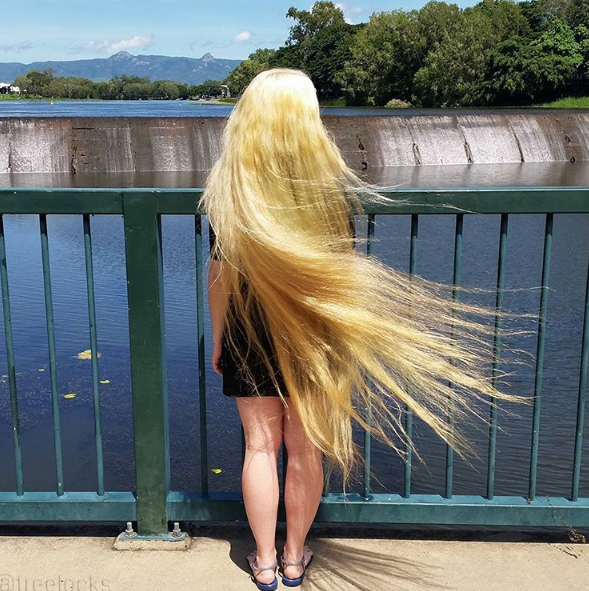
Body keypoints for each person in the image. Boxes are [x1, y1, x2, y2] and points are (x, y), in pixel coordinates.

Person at [202, 68, 533, 589]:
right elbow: (342, 270)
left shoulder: (230, 191)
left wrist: (221, 336)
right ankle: (293, 559)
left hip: (249, 330)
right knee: (306, 446)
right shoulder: (329, 189)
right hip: (320, 332)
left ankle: (262, 562)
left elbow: (219, 275)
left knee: (260, 447)